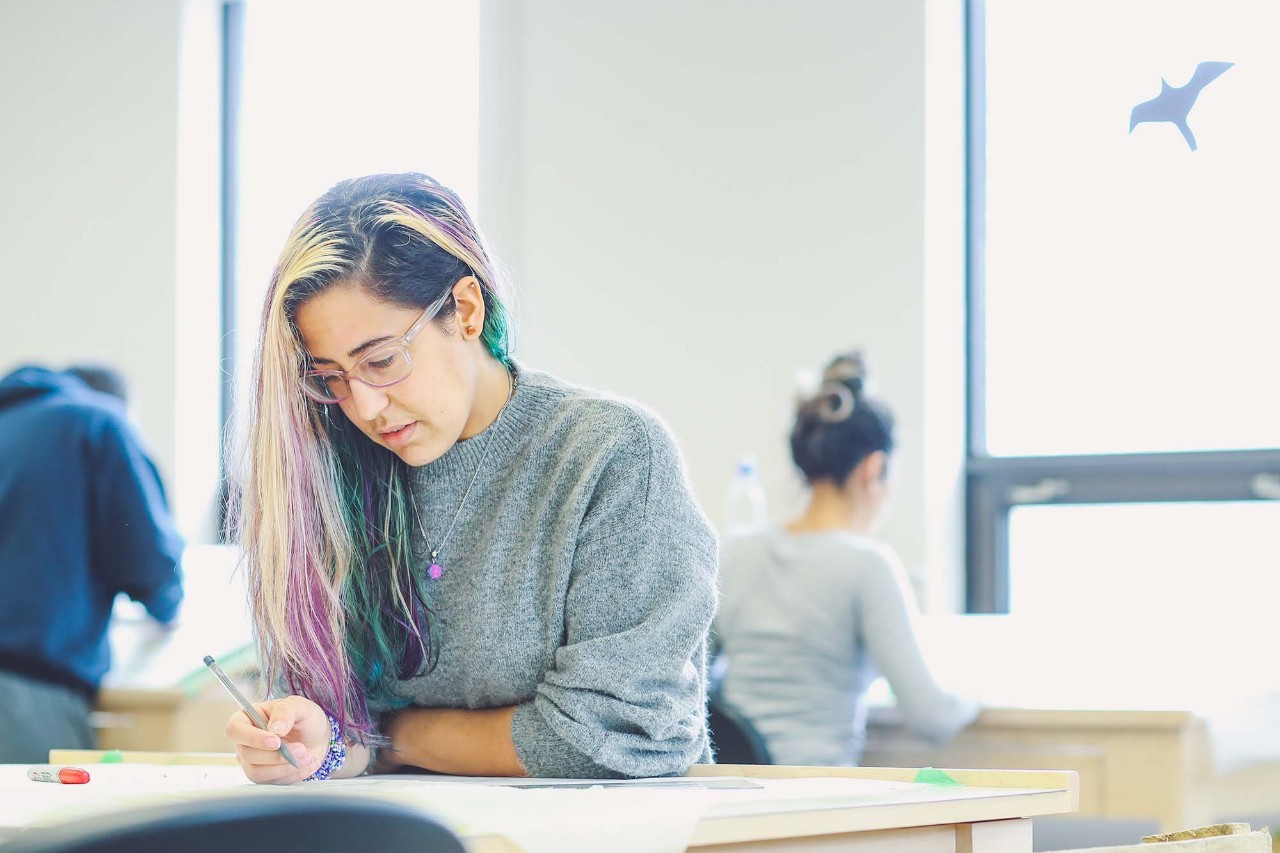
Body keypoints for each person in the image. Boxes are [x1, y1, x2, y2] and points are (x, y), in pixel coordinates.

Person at [224, 173, 717, 783]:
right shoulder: (331, 473)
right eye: (332, 377)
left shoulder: (608, 455)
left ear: (464, 309)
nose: (365, 407)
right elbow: (338, 736)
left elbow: (612, 739)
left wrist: (385, 735)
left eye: (380, 361)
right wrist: (314, 741)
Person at [713, 352, 978, 766]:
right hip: (819, 802)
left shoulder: (734, 552)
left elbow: (689, 681)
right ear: (874, 469)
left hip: (732, 795)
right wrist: (976, 693)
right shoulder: (867, 566)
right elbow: (932, 716)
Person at [0, 363, 184, 763]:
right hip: (27, 687)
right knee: (45, 821)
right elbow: (148, 554)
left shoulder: (12, 424)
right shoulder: (97, 422)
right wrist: (167, 604)